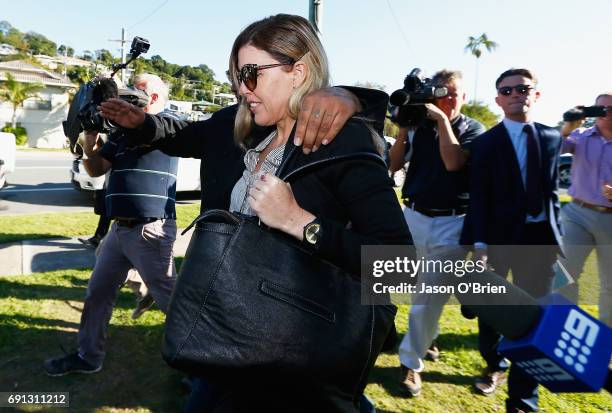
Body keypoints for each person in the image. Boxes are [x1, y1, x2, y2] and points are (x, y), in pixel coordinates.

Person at [102, 13, 412, 413]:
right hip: (230, 338)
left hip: (292, 354)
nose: (241, 88)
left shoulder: (340, 138)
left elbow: (399, 264)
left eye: (251, 74)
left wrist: (300, 222)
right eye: (235, 76)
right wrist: (141, 123)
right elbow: (182, 133)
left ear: (298, 71)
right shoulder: (242, 126)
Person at [43, 73, 181, 376]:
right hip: (119, 231)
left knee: (174, 302)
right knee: (97, 292)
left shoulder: (169, 125)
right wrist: (90, 135)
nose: (129, 96)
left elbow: (161, 129)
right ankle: (88, 356)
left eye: (139, 91)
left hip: (150, 230)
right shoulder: (119, 135)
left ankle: (206, 366)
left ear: (155, 98)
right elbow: (94, 168)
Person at [460, 68, 562, 413]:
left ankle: (522, 399)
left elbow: (551, 191)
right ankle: (493, 365)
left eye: (523, 88)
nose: (516, 93)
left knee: (536, 317)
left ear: (536, 94)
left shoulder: (552, 137)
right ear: (498, 99)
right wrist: (480, 246)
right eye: (508, 90)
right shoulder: (486, 144)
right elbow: (479, 198)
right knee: (494, 313)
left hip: (541, 242)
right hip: (498, 241)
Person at [388, 69, 485, 397]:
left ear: (464, 95)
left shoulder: (474, 128)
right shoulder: (419, 126)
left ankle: (410, 363)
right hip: (414, 214)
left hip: (453, 222)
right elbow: (393, 163)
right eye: (441, 92)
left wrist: (443, 121)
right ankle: (426, 338)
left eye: (454, 93)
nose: (448, 98)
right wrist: (403, 130)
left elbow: (454, 162)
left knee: (430, 297)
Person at [558, 92, 612, 327]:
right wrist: (569, 124)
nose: (605, 112)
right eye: (600, 108)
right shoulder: (580, 136)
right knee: (562, 275)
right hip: (577, 214)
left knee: (610, 285)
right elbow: (554, 149)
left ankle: (606, 344)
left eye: (610, 108)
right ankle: (564, 329)